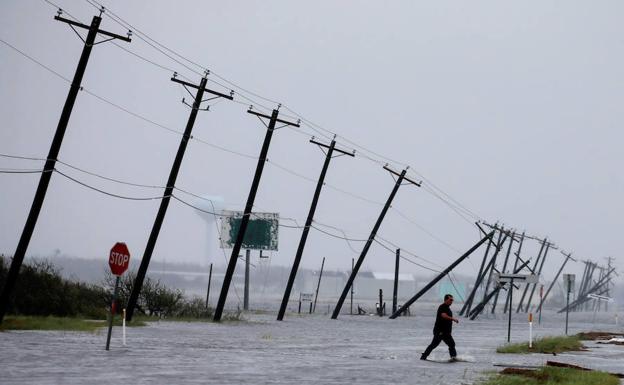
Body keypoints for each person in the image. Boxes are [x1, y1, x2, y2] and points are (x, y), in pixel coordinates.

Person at [420, 294, 459, 361]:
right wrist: (453, 319)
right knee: (434, 345)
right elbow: (443, 315)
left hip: (446, 332)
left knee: (452, 344)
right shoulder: (442, 307)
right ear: (446, 300)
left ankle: (453, 358)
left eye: (452, 300)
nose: (451, 301)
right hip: (440, 331)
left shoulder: (447, 308)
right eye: (450, 300)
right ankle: (423, 357)